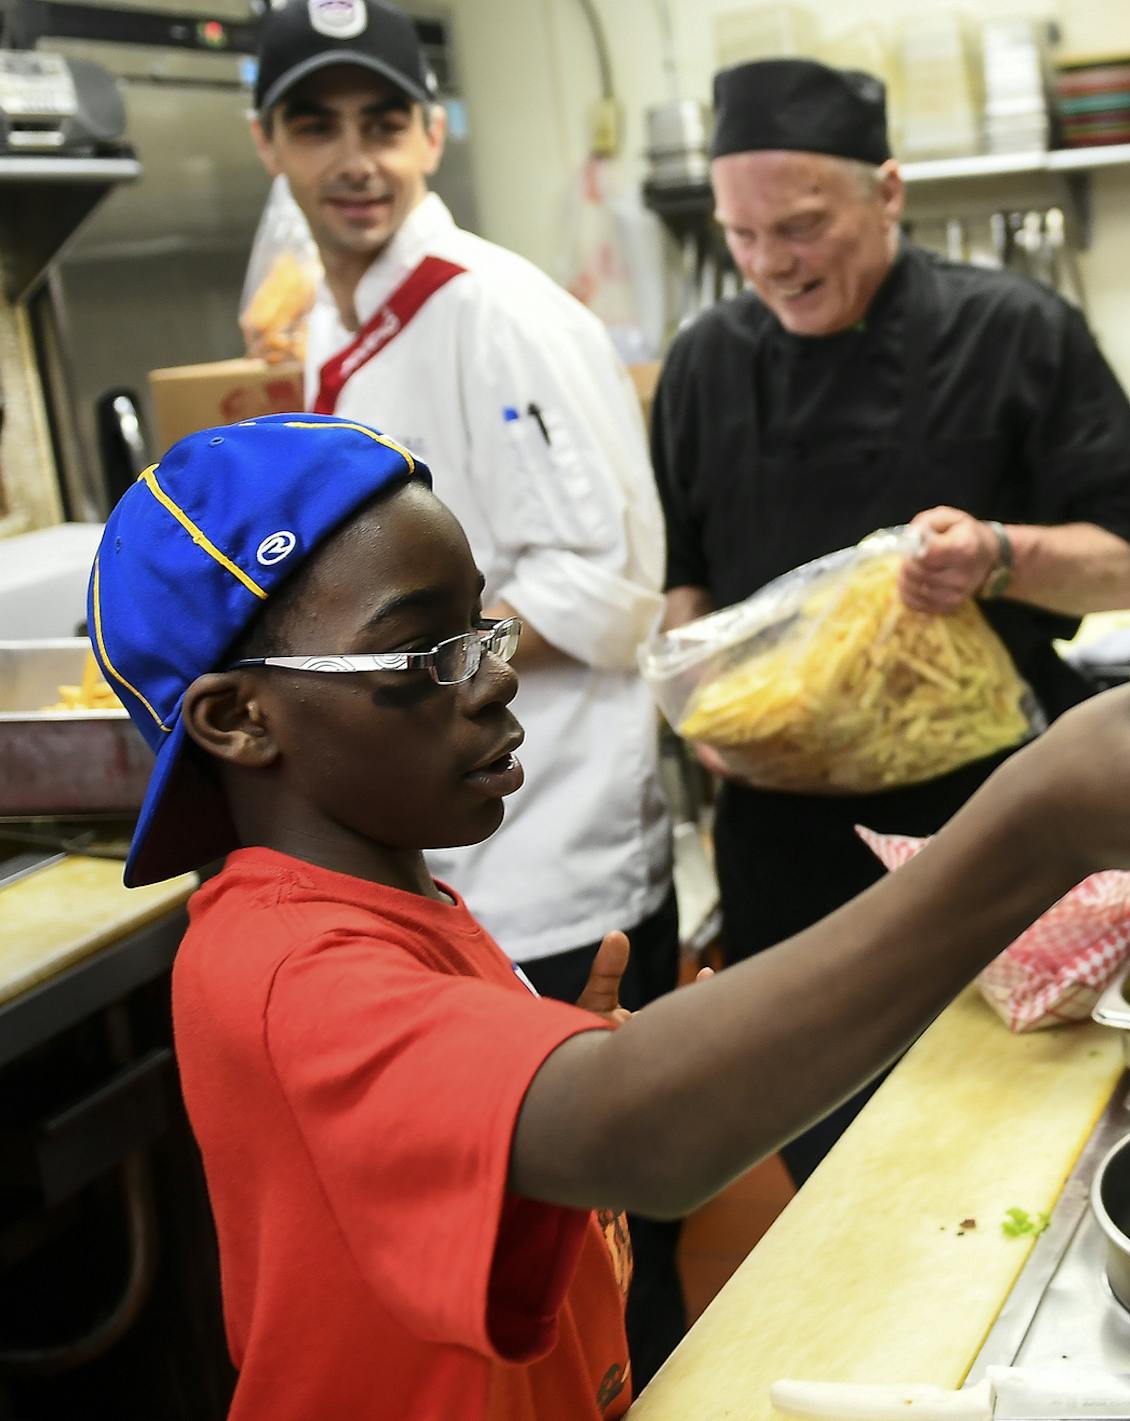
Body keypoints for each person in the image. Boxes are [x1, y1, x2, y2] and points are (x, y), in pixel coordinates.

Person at [90, 416, 1130, 1420]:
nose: (494, 675)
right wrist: (1037, 828)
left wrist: (552, 1079)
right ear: (239, 719)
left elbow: (550, 1148)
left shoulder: (391, 899)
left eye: (484, 628)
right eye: (425, 652)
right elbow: (638, 1139)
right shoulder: (281, 966)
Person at [245, 0, 686, 1374]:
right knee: (510, 1264)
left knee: (609, 1243)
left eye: (384, 121)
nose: (355, 157)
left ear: (435, 133)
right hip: (443, 860)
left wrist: (384, 670)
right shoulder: (325, 327)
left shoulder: (494, 313)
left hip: (549, 845)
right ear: (268, 144)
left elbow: (600, 589)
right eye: (316, 125)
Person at [651, 58, 1130, 1179]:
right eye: (742, 236)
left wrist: (1000, 554)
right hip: (781, 851)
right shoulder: (703, 365)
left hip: (985, 834)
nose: (770, 265)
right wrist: (695, 696)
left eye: (800, 227)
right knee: (824, 1157)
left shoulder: (1017, 332)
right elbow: (686, 581)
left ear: (888, 191)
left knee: (1003, 1152)